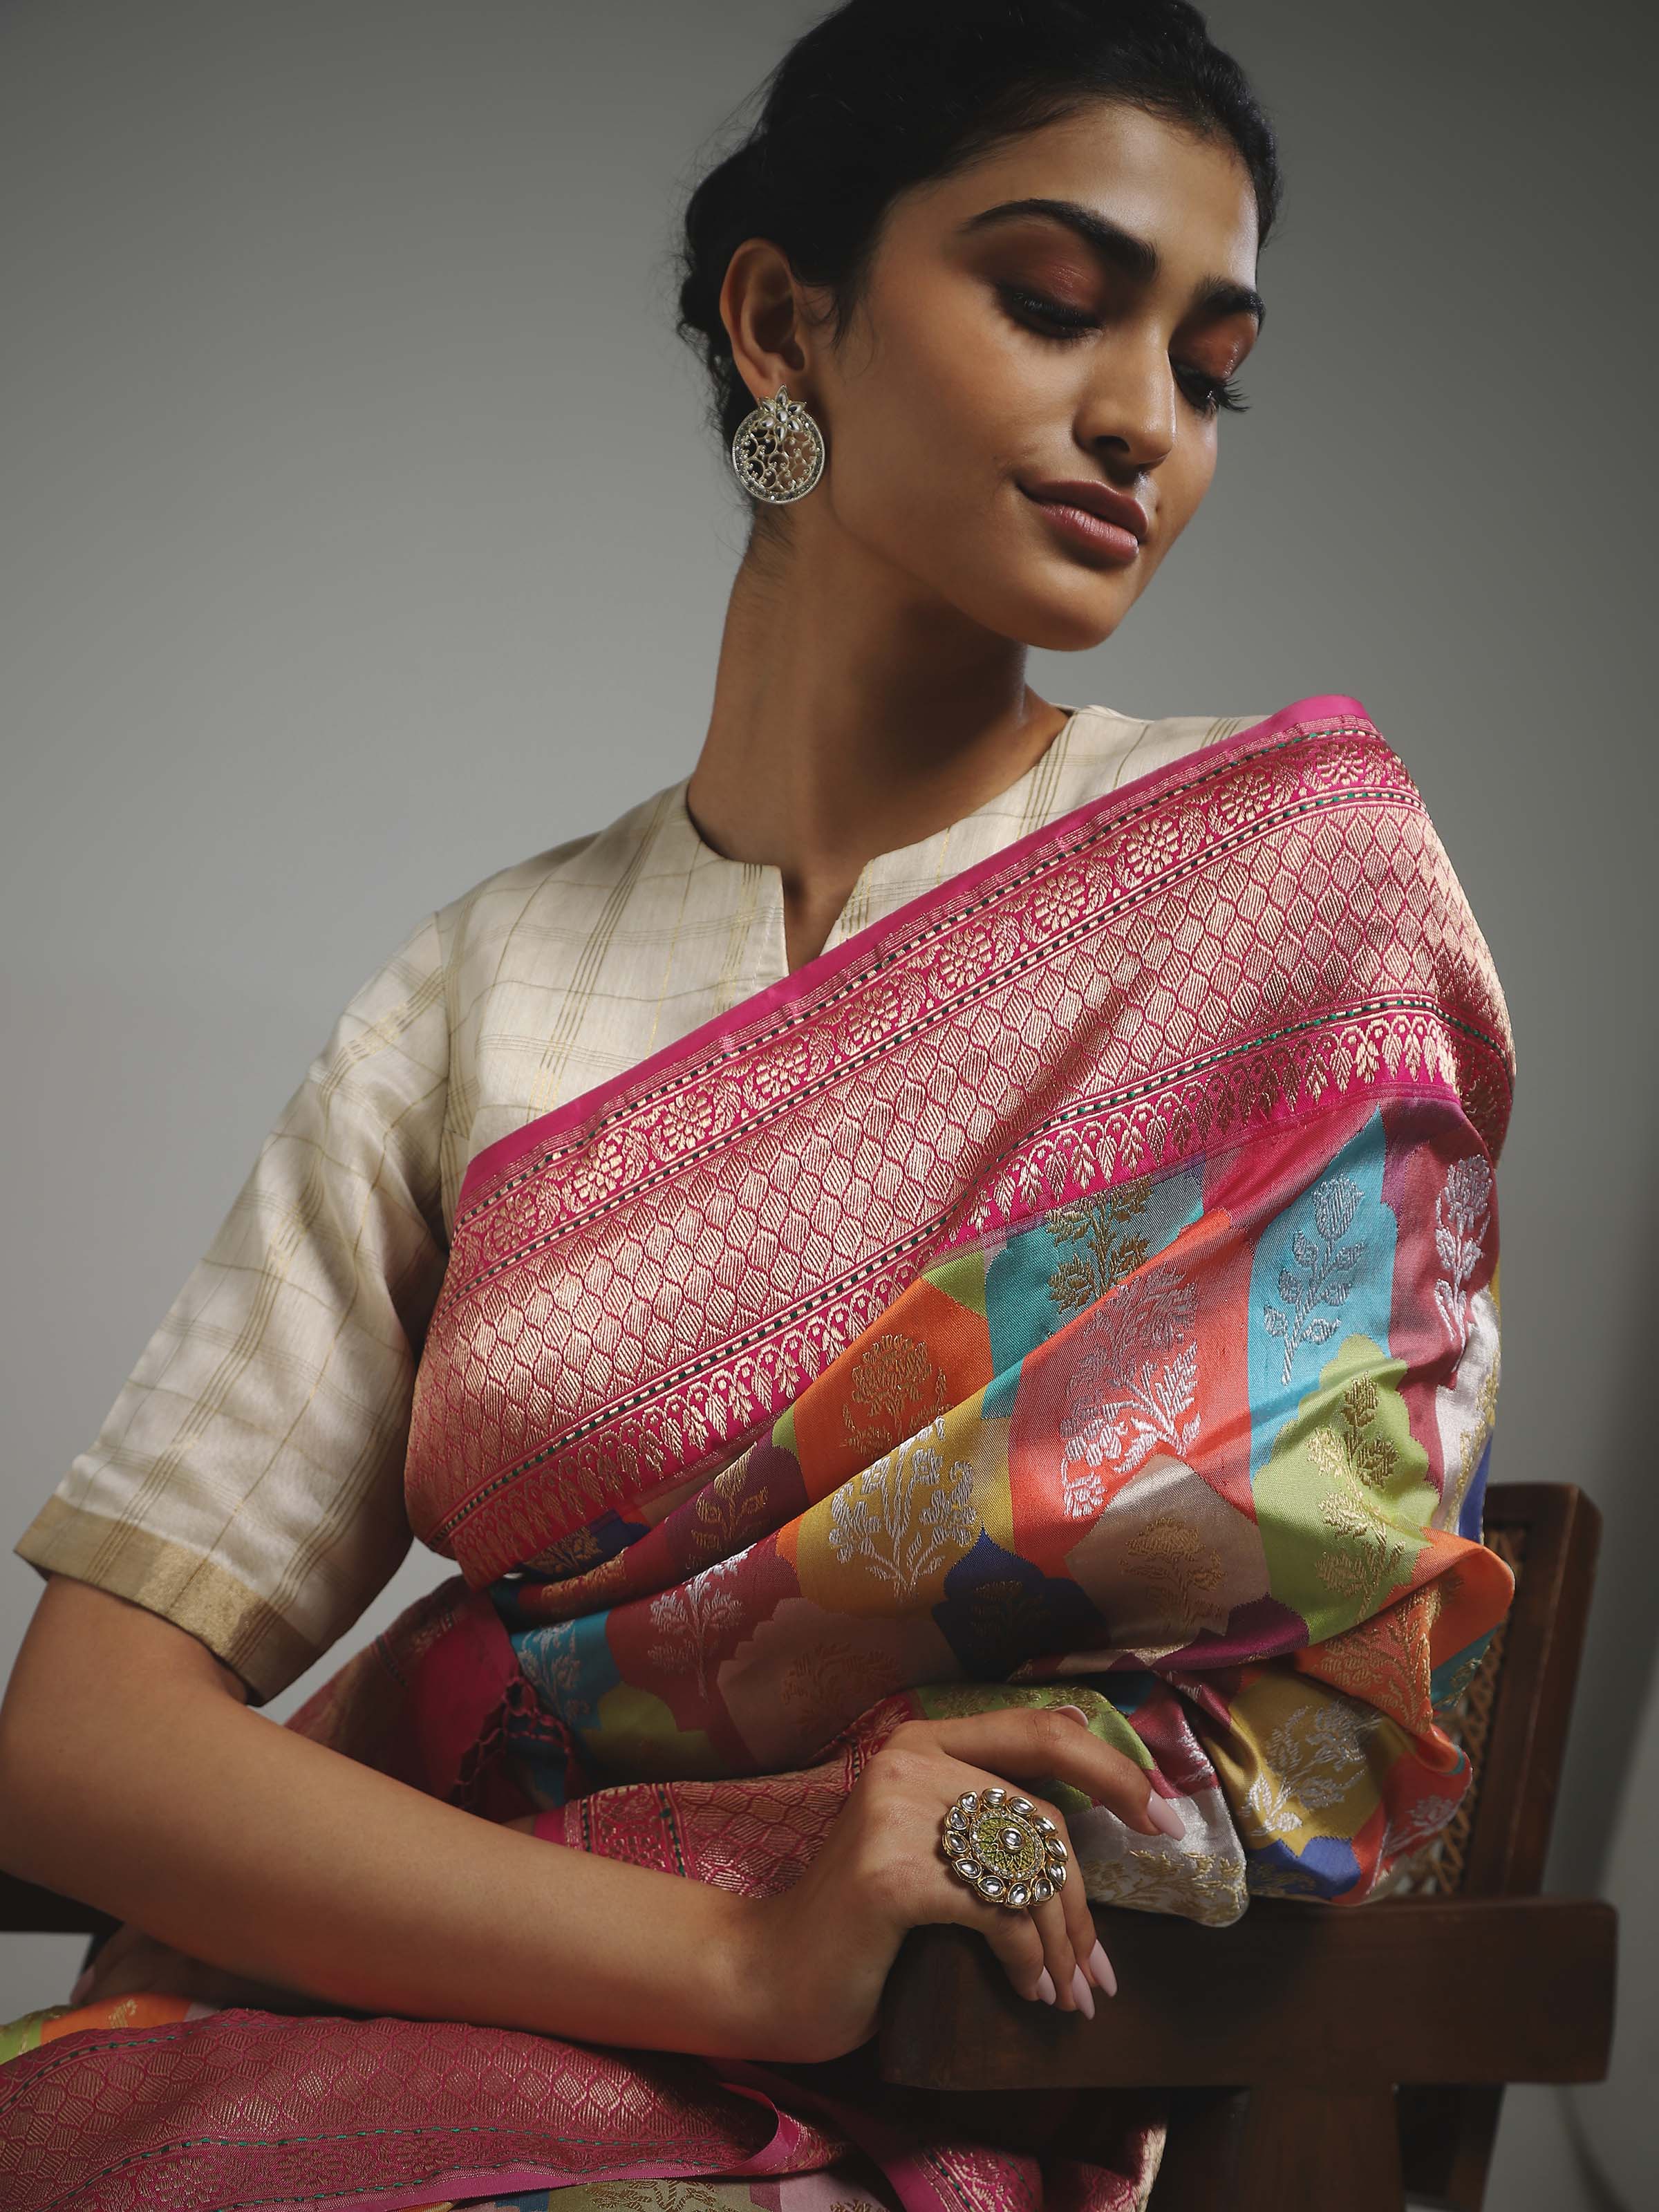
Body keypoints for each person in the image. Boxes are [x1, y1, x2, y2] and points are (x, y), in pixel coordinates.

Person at [0, 3, 1515, 2207]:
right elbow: (82, 1745)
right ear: (785, 320)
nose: (1143, 425)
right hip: (491, 2023)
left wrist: (893, 1909)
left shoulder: (1294, 889)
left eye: (1210, 366)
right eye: (1059, 303)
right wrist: (728, 1956)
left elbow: (1292, 1689)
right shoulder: (485, 992)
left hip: (965, 2082)